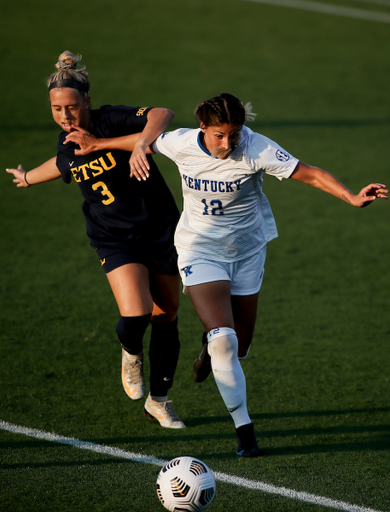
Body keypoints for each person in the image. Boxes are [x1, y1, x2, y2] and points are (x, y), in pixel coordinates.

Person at [62, 93, 388, 457]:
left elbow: (308, 173)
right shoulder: (182, 142)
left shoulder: (256, 148)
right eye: (220, 135)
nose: (228, 143)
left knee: (241, 345)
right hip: (199, 251)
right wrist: (98, 143)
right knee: (225, 342)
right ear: (203, 127)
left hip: (247, 253)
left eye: (234, 134)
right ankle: (245, 433)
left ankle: (209, 349)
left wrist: (351, 197)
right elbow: (148, 142)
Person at [6, 51, 186, 429]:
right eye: (57, 109)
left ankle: (159, 401)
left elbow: (162, 115)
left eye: (71, 107)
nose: (65, 115)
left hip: (161, 231)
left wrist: (138, 144)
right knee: (136, 314)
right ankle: (131, 351)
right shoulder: (66, 140)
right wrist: (28, 178)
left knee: (167, 316)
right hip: (113, 239)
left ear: (86, 101)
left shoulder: (110, 119)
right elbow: (61, 164)